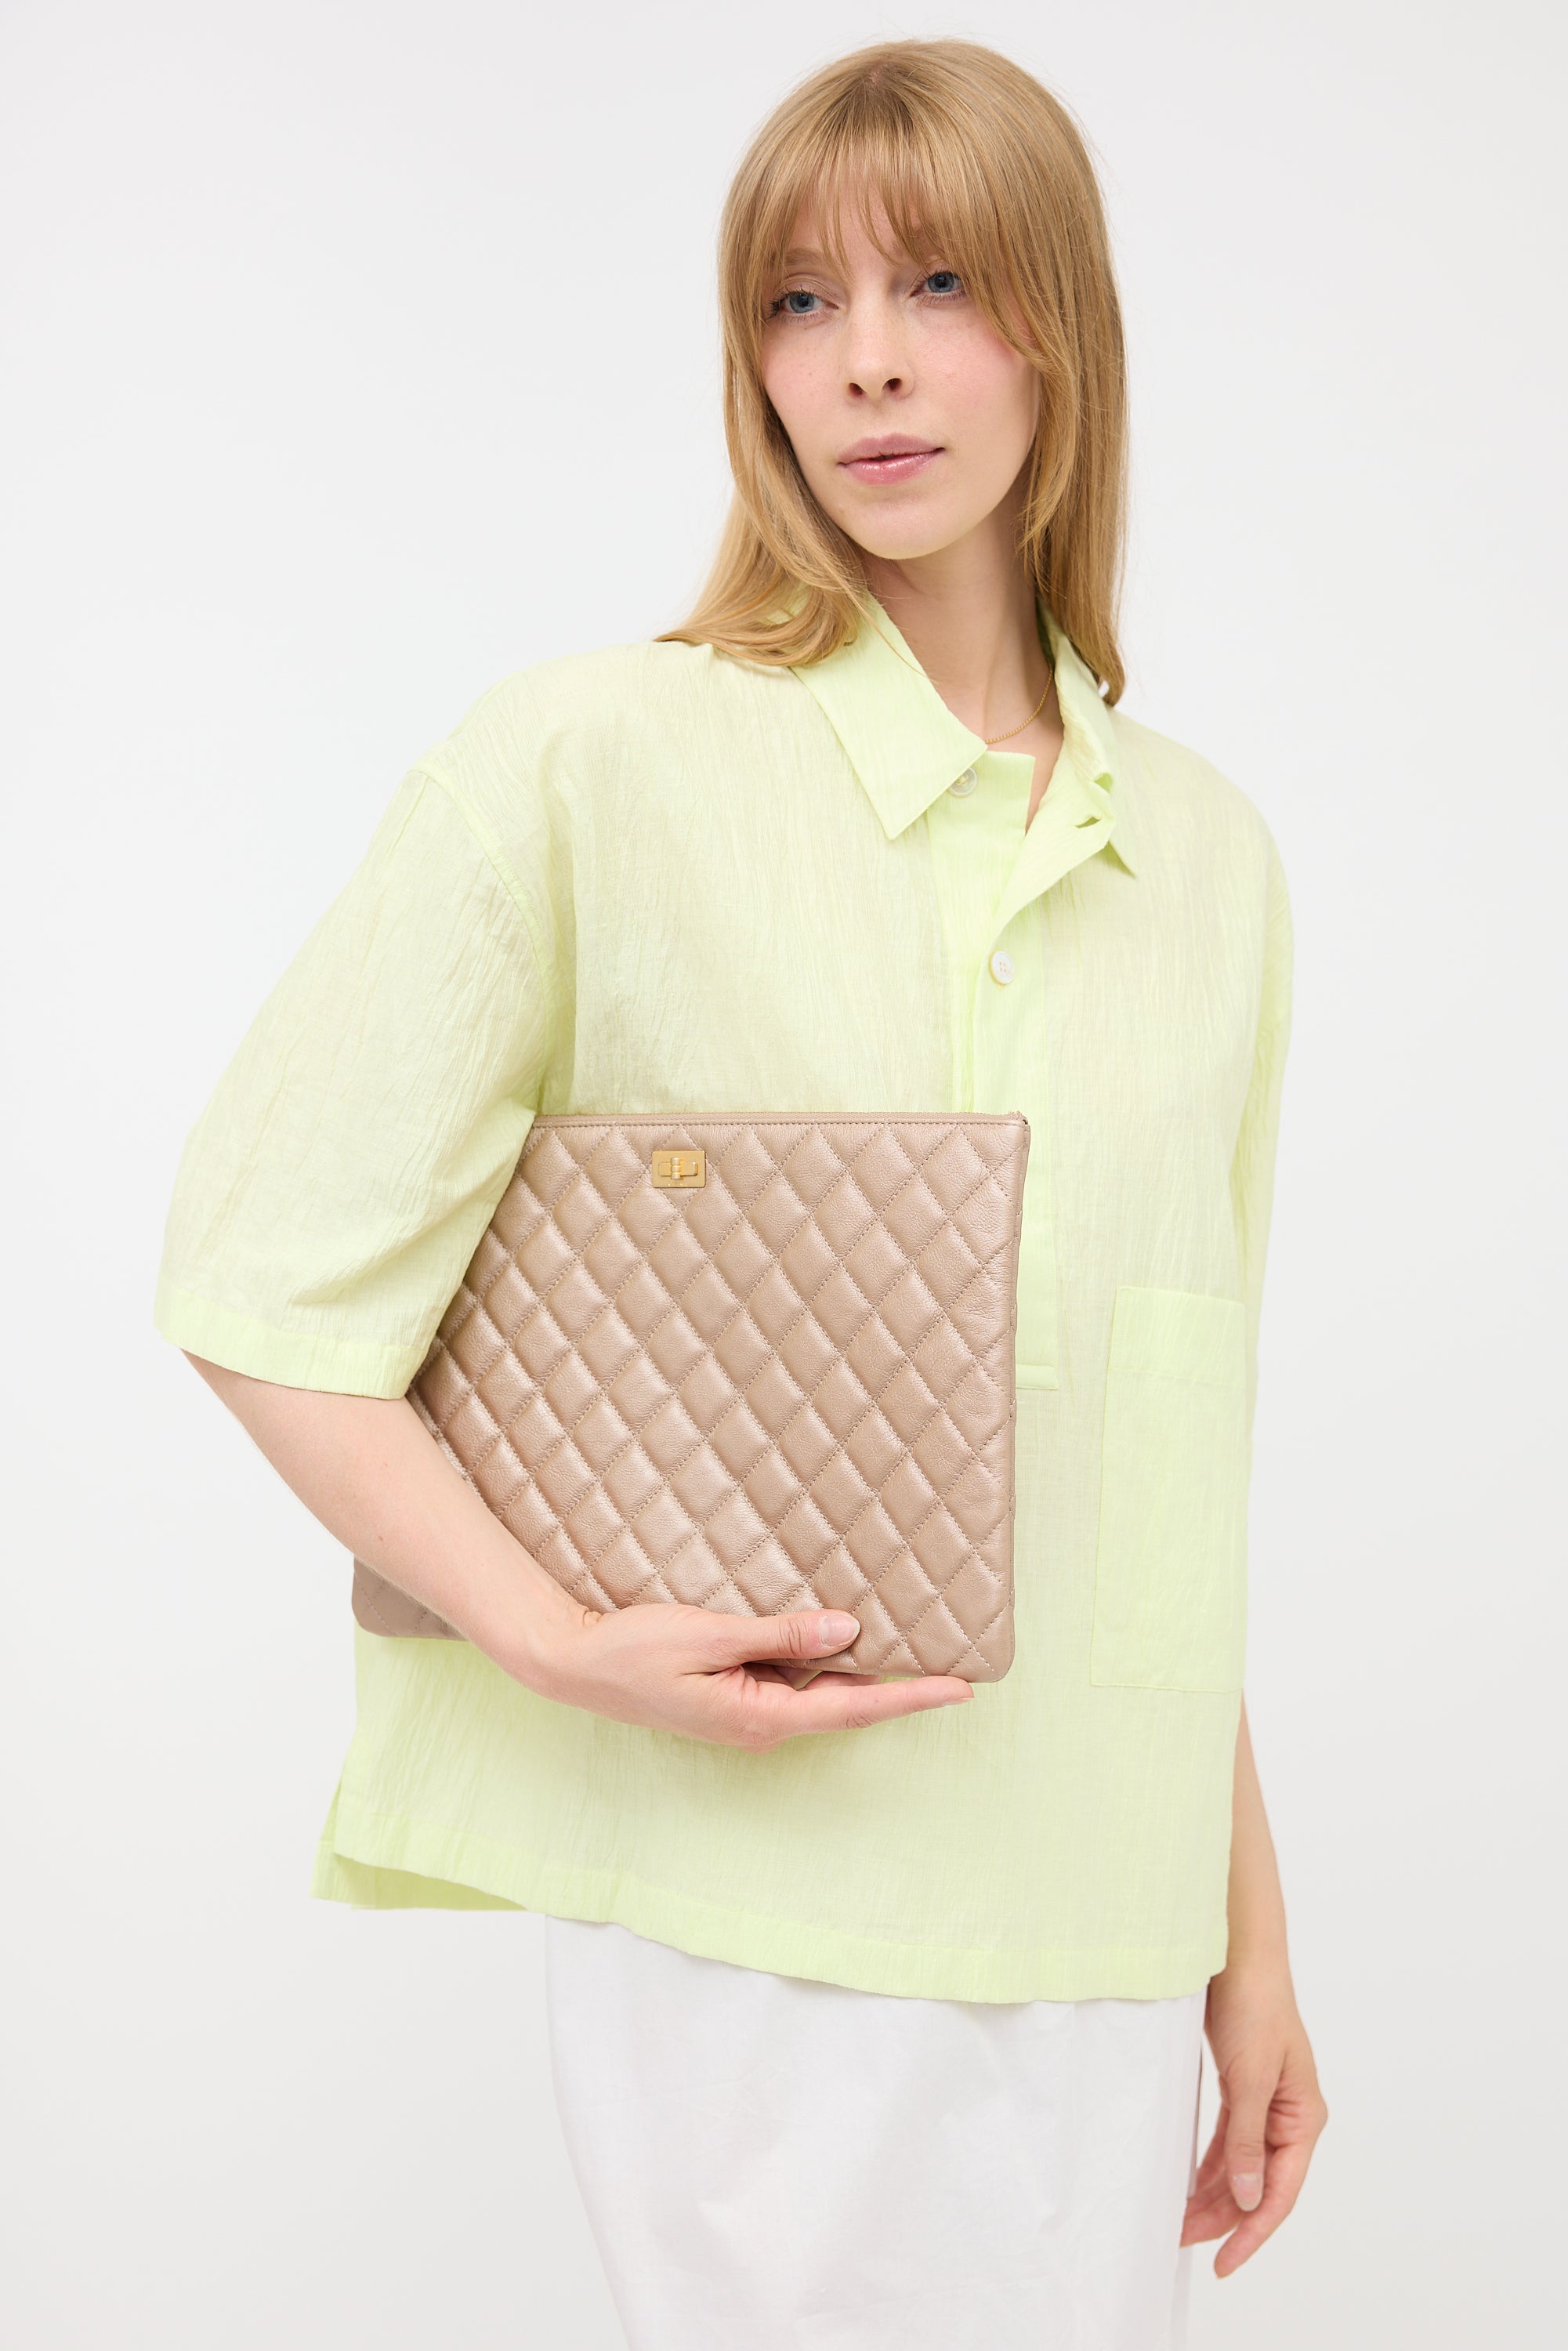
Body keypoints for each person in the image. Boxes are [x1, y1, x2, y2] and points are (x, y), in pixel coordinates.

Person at [154, 37, 1327, 2350]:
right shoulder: (592, 756)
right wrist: (546, 1635)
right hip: (754, 1925)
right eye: (798, 302)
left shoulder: (1205, 857)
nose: (865, 359)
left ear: (1063, 328)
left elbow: (1163, 1486)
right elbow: (259, 1280)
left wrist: (1250, 1946)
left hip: (1111, 1943)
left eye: (938, 281)